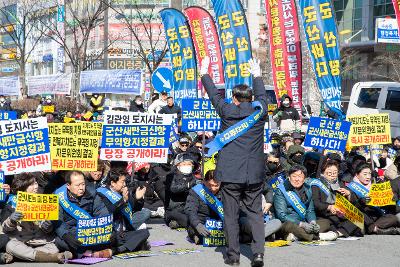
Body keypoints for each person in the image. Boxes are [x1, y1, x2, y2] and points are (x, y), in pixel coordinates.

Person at [200, 57, 267, 266]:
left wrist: (204, 73)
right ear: (250, 98)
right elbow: (263, 96)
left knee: (230, 216)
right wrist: (257, 74)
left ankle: (234, 256)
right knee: (256, 214)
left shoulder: (226, 112)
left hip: (230, 174)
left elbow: (214, 96)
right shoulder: (260, 112)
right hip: (253, 173)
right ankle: (257, 254)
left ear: (234, 98)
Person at [2, 173, 72, 263]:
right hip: (22, 242)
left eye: (35, 183)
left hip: (42, 242)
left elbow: (50, 229)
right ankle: (51, 258)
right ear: (23, 187)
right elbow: (5, 229)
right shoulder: (12, 202)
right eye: (31, 184)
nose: (35, 186)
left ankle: (21, 257)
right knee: (10, 246)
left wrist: (48, 226)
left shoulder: (44, 201)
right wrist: (11, 221)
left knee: (54, 248)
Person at [54, 171, 112, 258]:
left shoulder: (92, 194)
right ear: (68, 186)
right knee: (59, 241)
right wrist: (66, 235)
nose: (81, 188)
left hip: (90, 232)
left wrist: (107, 229)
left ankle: (86, 252)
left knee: (113, 236)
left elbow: (102, 212)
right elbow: (58, 221)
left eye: (83, 184)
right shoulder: (58, 196)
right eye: (77, 185)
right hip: (71, 233)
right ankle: (91, 253)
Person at [93, 169, 150, 254]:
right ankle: (126, 247)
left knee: (145, 232)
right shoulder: (102, 194)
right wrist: (123, 200)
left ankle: (117, 250)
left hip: (123, 229)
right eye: (122, 182)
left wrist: (138, 199)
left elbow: (133, 209)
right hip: (110, 230)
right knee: (138, 239)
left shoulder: (123, 191)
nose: (124, 184)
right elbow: (110, 212)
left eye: (125, 181)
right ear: (112, 183)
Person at [274, 165, 331, 241]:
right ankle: (316, 237)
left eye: (300, 177)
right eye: (294, 176)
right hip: (288, 222)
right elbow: (282, 215)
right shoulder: (281, 190)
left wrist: (312, 222)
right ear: (289, 177)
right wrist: (301, 224)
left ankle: (297, 236)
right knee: (291, 226)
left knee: (326, 222)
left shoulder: (308, 189)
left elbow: (310, 210)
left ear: (304, 179)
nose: (297, 179)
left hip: (304, 221)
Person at [311, 160, 362, 238]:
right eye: (329, 173)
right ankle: (340, 231)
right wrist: (329, 207)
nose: (332, 175)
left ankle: (336, 233)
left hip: (340, 214)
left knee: (358, 219)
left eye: (335, 173)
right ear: (323, 173)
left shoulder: (339, 183)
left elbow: (352, 200)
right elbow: (316, 203)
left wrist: (348, 193)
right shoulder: (316, 184)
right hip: (324, 215)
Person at [348, 164, 400, 234]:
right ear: (357, 175)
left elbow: (384, 204)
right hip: (363, 214)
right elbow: (351, 206)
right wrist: (361, 202)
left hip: (376, 215)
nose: (368, 177)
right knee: (361, 216)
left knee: (392, 218)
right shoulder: (351, 187)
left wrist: (391, 198)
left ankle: (371, 228)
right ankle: (375, 229)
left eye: (369, 174)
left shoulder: (375, 185)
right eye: (365, 174)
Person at [184, 170, 224, 244]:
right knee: (192, 226)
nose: (213, 188)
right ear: (204, 182)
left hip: (220, 221)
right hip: (203, 221)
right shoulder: (197, 190)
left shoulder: (225, 191)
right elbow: (190, 210)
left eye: (216, 185)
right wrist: (198, 225)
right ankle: (196, 236)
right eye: (210, 185)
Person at [165, 153, 197, 229]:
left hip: (189, 207)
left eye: (189, 164)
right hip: (175, 209)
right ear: (178, 165)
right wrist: (188, 185)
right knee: (188, 221)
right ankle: (175, 222)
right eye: (184, 164)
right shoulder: (171, 176)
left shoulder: (193, 177)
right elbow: (174, 189)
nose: (187, 166)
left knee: (197, 218)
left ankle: (179, 223)